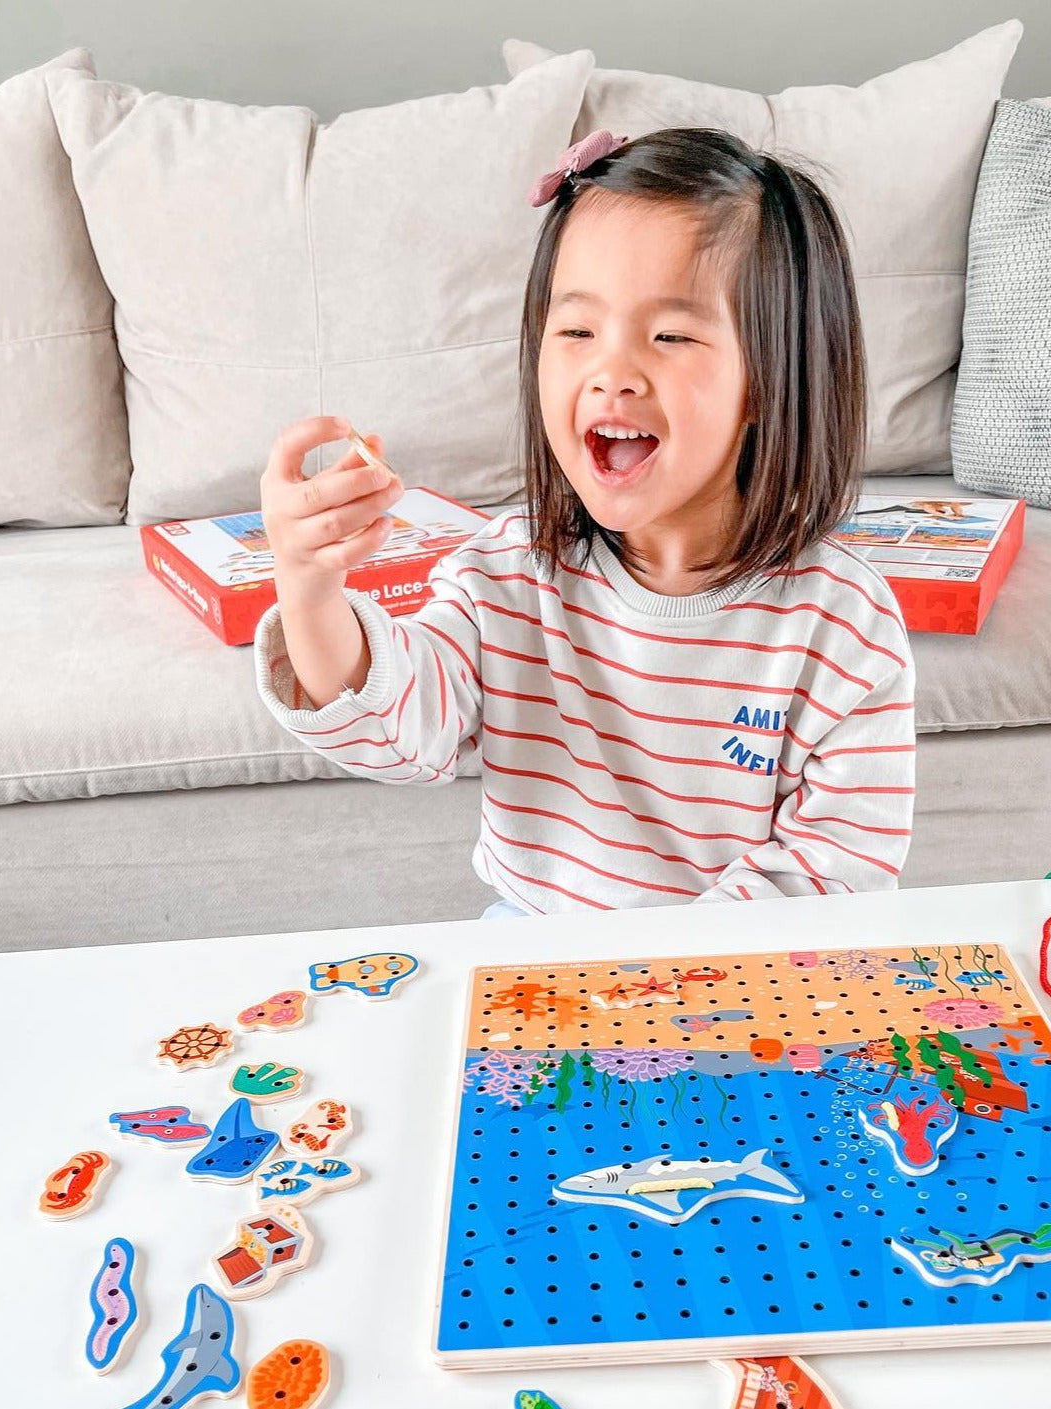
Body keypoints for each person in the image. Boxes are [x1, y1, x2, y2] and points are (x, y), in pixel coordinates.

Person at [253, 127, 916, 917]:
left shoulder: (844, 620)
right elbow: (397, 731)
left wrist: (652, 984)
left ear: (770, 381)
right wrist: (308, 584)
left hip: (736, 976)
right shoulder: (505, 573)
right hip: (536, 960)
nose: (612, 374)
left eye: (669, 335)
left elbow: (835, 869)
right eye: (575, 332)